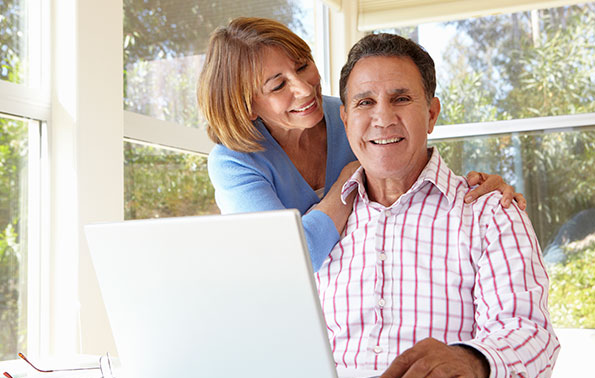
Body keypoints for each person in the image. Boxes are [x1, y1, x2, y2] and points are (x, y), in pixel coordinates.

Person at [315, 33, 559, 378]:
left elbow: (530, 335)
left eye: (401, 99)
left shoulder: (490, 213)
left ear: (431, 113)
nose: (382, 118)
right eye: (365, 102)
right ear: (346, 119)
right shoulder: (321, 228)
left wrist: (473, 361)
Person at [196, 17, 526, 271]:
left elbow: (414, 176)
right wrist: (347, 181)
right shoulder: (234, 161)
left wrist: (481, 188)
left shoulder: (353, 113)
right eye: (279, 85)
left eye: (302, 66)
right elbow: (290, 260)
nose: (304, 88)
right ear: (247, 104)